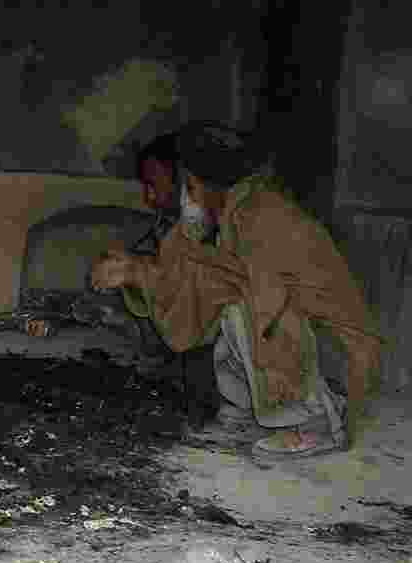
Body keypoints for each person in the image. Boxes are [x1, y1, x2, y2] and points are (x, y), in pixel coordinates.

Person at [91, 121, 380, 459]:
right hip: (301, 335)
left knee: (244, 306)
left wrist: (142, 272)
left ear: (214, 186)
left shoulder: (263, 216)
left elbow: (260, 294)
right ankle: (249, 413)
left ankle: (317, 420)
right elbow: (200, 284)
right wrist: (136, 272)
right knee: (229, 302)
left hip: (337, 351)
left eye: (192, 187)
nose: (187, 198)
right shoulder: (234, 214)